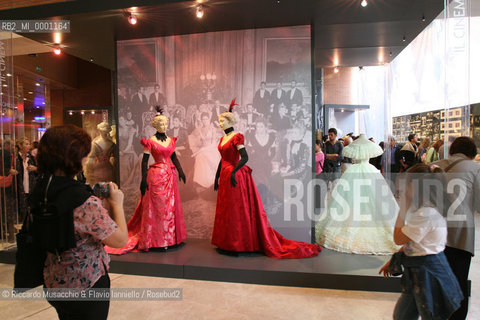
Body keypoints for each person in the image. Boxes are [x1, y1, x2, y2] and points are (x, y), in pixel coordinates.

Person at [32, 124, 127, 320]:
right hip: (86, 285)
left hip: (54, 281)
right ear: (74, 158)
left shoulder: (40, 192)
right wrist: (117, 204)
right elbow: (119, 240)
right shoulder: (84, 202)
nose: (86, 158)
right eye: (84, 154)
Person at [211, 101, 321, 259]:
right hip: (226, 175)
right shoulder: (223, 139)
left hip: (236, 177)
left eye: (223, 121)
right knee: (226, 209)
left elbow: (245, 157)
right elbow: (222, 160)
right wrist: (217, 177)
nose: (221, 123)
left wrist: (234, 172)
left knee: (237, 210)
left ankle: (239, 243)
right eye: (220, 121)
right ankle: (226, 242)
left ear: (230, 121)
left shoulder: (237, 137)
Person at [379, 164, 463, 320]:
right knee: (404, 315)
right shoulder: (426, 210)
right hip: (421, 269)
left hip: (427, 271)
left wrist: (403, 207)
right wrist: (396, 257)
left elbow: (398, 238)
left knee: (422, 314)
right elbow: (414, 242)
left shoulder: (426, 213)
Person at [107, 111, 187, 254]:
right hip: (156, 176)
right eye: (161, 123)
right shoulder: (150, 141)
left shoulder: (170, 140)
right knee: (157, 208)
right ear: (155, 125)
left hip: (170, 176)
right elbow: (144, 162)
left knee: (170, 208)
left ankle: (170, 239)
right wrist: (143, 179)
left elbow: (173, 157)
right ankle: (156, 240)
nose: (164, 125)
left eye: (166, 123)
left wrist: (181, 171)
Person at [315, 134, 399, 254]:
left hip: (357, 170)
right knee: (361, 196)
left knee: (358, 196)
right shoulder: (368, 147)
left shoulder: (356, 147)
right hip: (366, 170)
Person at [434, 136, 480, 319]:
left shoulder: (434, 166)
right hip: (460, 233)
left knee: (436, 281)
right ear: (471, 154)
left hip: (433, 232)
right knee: (458, 282)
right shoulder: (475, 168)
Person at [16, 137, 38, 221]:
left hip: (31, 186)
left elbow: (39, 170)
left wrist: (35, 168)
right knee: (22, 207)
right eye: (26, 144)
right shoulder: (16, 158)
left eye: (29, 144)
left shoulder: (31, 158)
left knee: (31, 206)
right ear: (20, 146)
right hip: (20, 186)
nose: (28, 146)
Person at [1, 139, 18, 243]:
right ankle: (10, 233)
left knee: (7, 209)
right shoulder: (5, 154)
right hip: (6, 185)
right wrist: (8, 171)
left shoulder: (10, 155)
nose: (13, 147)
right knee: (8, 210)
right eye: (11, 145)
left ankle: (8, 231)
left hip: (8, 185)